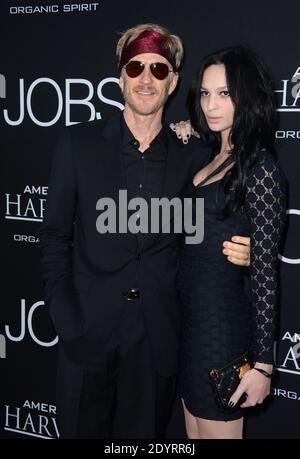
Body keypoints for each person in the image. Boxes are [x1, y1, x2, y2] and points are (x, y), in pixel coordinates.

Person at [38, 25, 250, 439]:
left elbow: (229, 208)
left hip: (156, 342)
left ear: (172, 82)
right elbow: (54, 238)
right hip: (87, 336)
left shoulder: (195, 156)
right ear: (121, 77)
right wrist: (67, 320)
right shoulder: (77, 145)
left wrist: (249, 249)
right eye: (136, 67)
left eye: (159, 69)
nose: (146, 79)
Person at [174, 46, 286, 439]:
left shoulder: (260, 169)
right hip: (188, 331)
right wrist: (182, 131)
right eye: (205, 93)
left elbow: (265, 276)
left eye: (224, 93)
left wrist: (264, 367)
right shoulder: (207, 154)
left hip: (221, 334)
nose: (211, 104)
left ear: (247, 95)